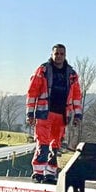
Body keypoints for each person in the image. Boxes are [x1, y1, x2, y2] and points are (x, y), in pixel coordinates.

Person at [26, 43, 82, 183]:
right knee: (43, 143)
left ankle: (50, 173)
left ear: (65, 55)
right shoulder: (43, 70)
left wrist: (77, 115)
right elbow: (32, 92)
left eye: (61, 54)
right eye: (56, 53)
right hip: (44, 113)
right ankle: (38, 172)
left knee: (55, 145)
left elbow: (76, 96)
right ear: (52, 54)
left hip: (62, 115)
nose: (59, 56)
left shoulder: (71, 74)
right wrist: (30, 113)